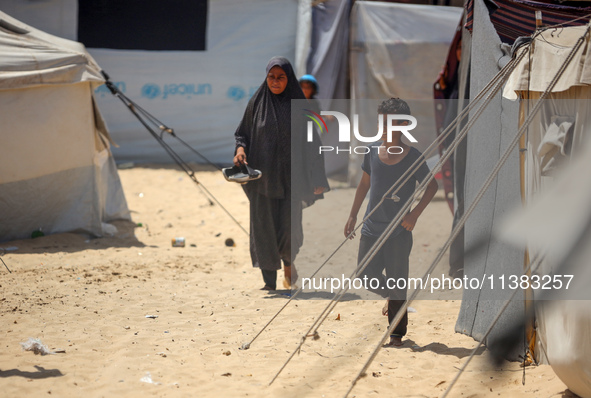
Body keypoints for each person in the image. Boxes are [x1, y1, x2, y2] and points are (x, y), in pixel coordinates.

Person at [343, 98, 438, 346]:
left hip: (399, 231)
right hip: (371, 226)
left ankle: (396, 335)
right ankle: (393, 297)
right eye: (383, 121)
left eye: (393, 123)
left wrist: (414, 214)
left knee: (398, 279)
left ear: (405, 125)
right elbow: (365, 184)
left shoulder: (413, 156)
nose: (386, 127)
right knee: (365, 273)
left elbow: (432, 186)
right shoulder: (372, 150)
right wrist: (353, 214)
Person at [234, 57, 329, 291]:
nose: (275, 82)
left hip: (292, 180)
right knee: (263, 227)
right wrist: (240, 150)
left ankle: (288, 264)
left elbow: (313, 143)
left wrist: (318, 178)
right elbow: (242, 134)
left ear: (289, 79)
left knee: (289, 228)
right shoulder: (256, 103)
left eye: (281, 77)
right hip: (262, 179)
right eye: (271, 77)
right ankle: (269, 282)